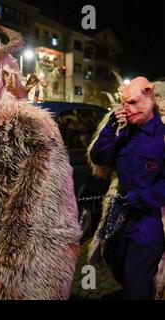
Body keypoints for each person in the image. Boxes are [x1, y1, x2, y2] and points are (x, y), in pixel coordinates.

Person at [89, 77, 165, 299]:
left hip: (147, 219)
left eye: (132, 102)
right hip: (119, 214)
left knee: (136, 280)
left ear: (149, 94)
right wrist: (111, 126)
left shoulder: (162, 137)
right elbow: (99, 157)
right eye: (124, 103)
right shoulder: (123, 132)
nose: (126, 109)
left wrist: (140, 197)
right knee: (114, 259)